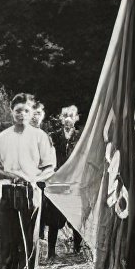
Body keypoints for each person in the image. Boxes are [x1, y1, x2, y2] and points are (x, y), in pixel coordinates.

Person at [0, 93, 54, 269]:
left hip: (30, 191)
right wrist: (11, 175)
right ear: (12, 112)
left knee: (28, 238)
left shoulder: (39, 136)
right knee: (7, 239)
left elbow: (49, 167)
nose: (22, 114)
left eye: (26, 111)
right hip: (8, 190)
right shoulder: (3, 137)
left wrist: (33, 179)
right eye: (18, 110)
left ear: (31, 113)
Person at [44, 105, 83, 260]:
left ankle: (77, 249)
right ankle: (51, 252)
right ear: (61, 118)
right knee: (54, 216)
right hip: (58, 180)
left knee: (76, 215)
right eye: (65, 115)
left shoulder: (81, 137)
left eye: (71, 115)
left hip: (74, 181)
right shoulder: (52, 137)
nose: (68, 119)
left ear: (76, 118)